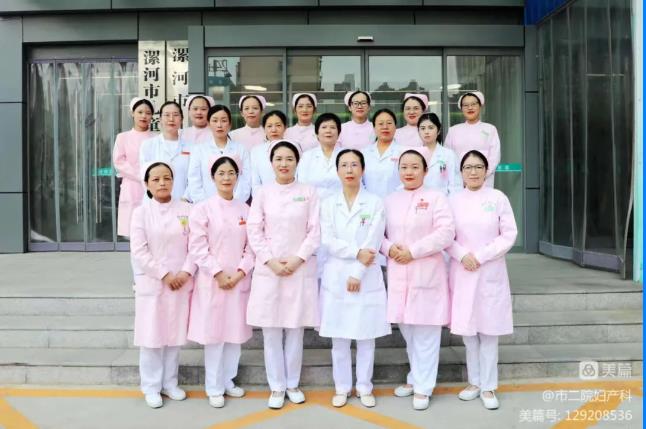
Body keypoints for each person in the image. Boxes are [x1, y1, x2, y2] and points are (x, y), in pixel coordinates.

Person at [246, 140, 320, 410]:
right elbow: (254, 230)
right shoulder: (262, 193)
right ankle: (276, 386)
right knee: (271, 331)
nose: (284, 164)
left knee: (295, 330)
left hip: (300, 268)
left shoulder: (309, 192)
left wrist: (299, 258)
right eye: (279, 159)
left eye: (289, 159)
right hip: (270, 270)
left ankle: (292, 384)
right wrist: (271, 261)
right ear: (271, 162)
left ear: (297, 162)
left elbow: (315, 230)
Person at [382, 148, 455, 411]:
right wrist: (389, 248)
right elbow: (378, 233)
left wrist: (413, 251)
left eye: (415, 167)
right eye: (404, 167)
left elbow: (446, 232)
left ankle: (424, 387)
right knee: (408, 330)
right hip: (399, 272)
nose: (409, 172)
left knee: (426, 334)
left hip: (426, 271)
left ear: (425, 170)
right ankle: (415, 378)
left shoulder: (437, 198)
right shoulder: (390, 200)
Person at [319, 149, 391, 409]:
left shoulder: (375, 202)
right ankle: (341, 387)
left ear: (363, 169)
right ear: (337, 170)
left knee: (365, 336)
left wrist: (358, 271)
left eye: (354, 165)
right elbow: (327, 240)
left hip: (367, 273)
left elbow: (374, 240)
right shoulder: (327, 203)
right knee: (338, 338)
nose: (349, 170)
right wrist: (355, 253)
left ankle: (364, 386)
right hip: (337, 274)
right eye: (344, 165)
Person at [447, 150, 517, 410]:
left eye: (478, 167)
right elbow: (446, 235)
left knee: (489, 332)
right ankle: (474, 382)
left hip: (490, 271)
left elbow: (508, 234)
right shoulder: (453, 200)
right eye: (468, 167)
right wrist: (462, 255)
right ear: (461, 172)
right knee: (468, 332)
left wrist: (480, 255)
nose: (473, 172)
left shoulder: (498, 198)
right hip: (463, 271)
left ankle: (488, 386)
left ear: (487, 171)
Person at [188, 153, 254, 409]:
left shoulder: (245, 209)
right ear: (212, 177)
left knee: (234, 334)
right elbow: (198, 247)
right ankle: (213, 386)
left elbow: (252, 247)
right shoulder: (202, 209)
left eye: (231, 173)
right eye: (221, 173)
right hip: (212, 281)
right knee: (214, 336)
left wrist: (240, 272)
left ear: (238, 177)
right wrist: (217, 272)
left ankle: (228, 380)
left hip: (238, 280)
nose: (227, 178)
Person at [130, 161, 195, 409]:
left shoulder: (187, 210)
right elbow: (139, 251)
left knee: (174, 335)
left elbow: (195, 246)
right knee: (151, 336)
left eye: (167, 178)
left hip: (180, 282)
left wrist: (186, 272)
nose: (162, 183)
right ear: (147, 184)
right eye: (156, 179)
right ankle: (151, 386)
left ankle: (170, 383)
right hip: (153, 282)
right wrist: (165, 274)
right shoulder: (141, 213)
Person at [186, 104, 251, 203]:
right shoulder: (199, 150)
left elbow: (246, 180)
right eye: (215, 120)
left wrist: (234, 202)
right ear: (208, 124)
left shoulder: (241, 149)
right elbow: (194, 180)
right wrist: (205, 204)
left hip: (235, 205)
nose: (219, 125)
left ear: (230, 124)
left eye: (224, 121)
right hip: (206, 205)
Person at [112, 97, 156, 237]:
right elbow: (119, 162)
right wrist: (142, 176)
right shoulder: (123, 137)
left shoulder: (157, 138)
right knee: (133, 232)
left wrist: (151, 179)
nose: (144, 116)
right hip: (131, 186)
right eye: (140, 112)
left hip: (153, 186)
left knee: (153, 229)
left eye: (148, 113)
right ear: (132, 113)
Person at [444, 91, 501, 187]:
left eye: (473, 104)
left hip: (484, 182)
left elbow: (494, 157)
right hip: (460, 183)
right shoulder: (453, 130)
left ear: (480, 106)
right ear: (461, 108)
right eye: (466, 105)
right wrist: (461, 178)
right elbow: (447, 157)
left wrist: (482, 175)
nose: (470, 108)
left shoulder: (490, 129)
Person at [139, 101, 191, 201]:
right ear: (160, 119)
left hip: (183, 202)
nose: (171, 119)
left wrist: (186, 197)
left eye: (175, 115)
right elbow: (144, 176)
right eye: (167, 115)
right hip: (154, 202)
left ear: (181, 119)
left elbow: (194, 178)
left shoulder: (191, 147)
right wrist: (155, 198)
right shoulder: (148, 145)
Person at [296, 112, 343, 201]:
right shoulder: (307, 156)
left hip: (341, 204)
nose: (328, 131)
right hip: (313, 204)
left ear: (338, 133)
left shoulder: (347, 155)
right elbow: (302, 185)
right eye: (324, 127)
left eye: (332, 127)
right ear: (317, 133)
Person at [361, 108, 403, 199]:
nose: (385, 127)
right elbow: (359, 182)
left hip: (396, 202)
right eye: (380, 124)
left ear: (395, 127)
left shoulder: (403, 152)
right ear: (374, 128)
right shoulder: (364, 153)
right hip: (369, 204)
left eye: (389, 123)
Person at [417, 113, 462, 195]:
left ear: (438, 130)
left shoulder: (449, 155)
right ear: (418, 131)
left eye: (431, 128)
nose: (426, 132)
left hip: (443, 199)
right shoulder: (413, 154)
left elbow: (455, 185)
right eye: (423, 128)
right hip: (419, 199)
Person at [249, 110, 287, 197]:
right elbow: (255, 182)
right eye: (269, 126)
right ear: (264, 128)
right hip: (264, 198)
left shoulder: (293, 148)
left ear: (285, 127)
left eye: (278, 125)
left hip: (289, 197)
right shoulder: (256, 151)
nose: (274, 129)